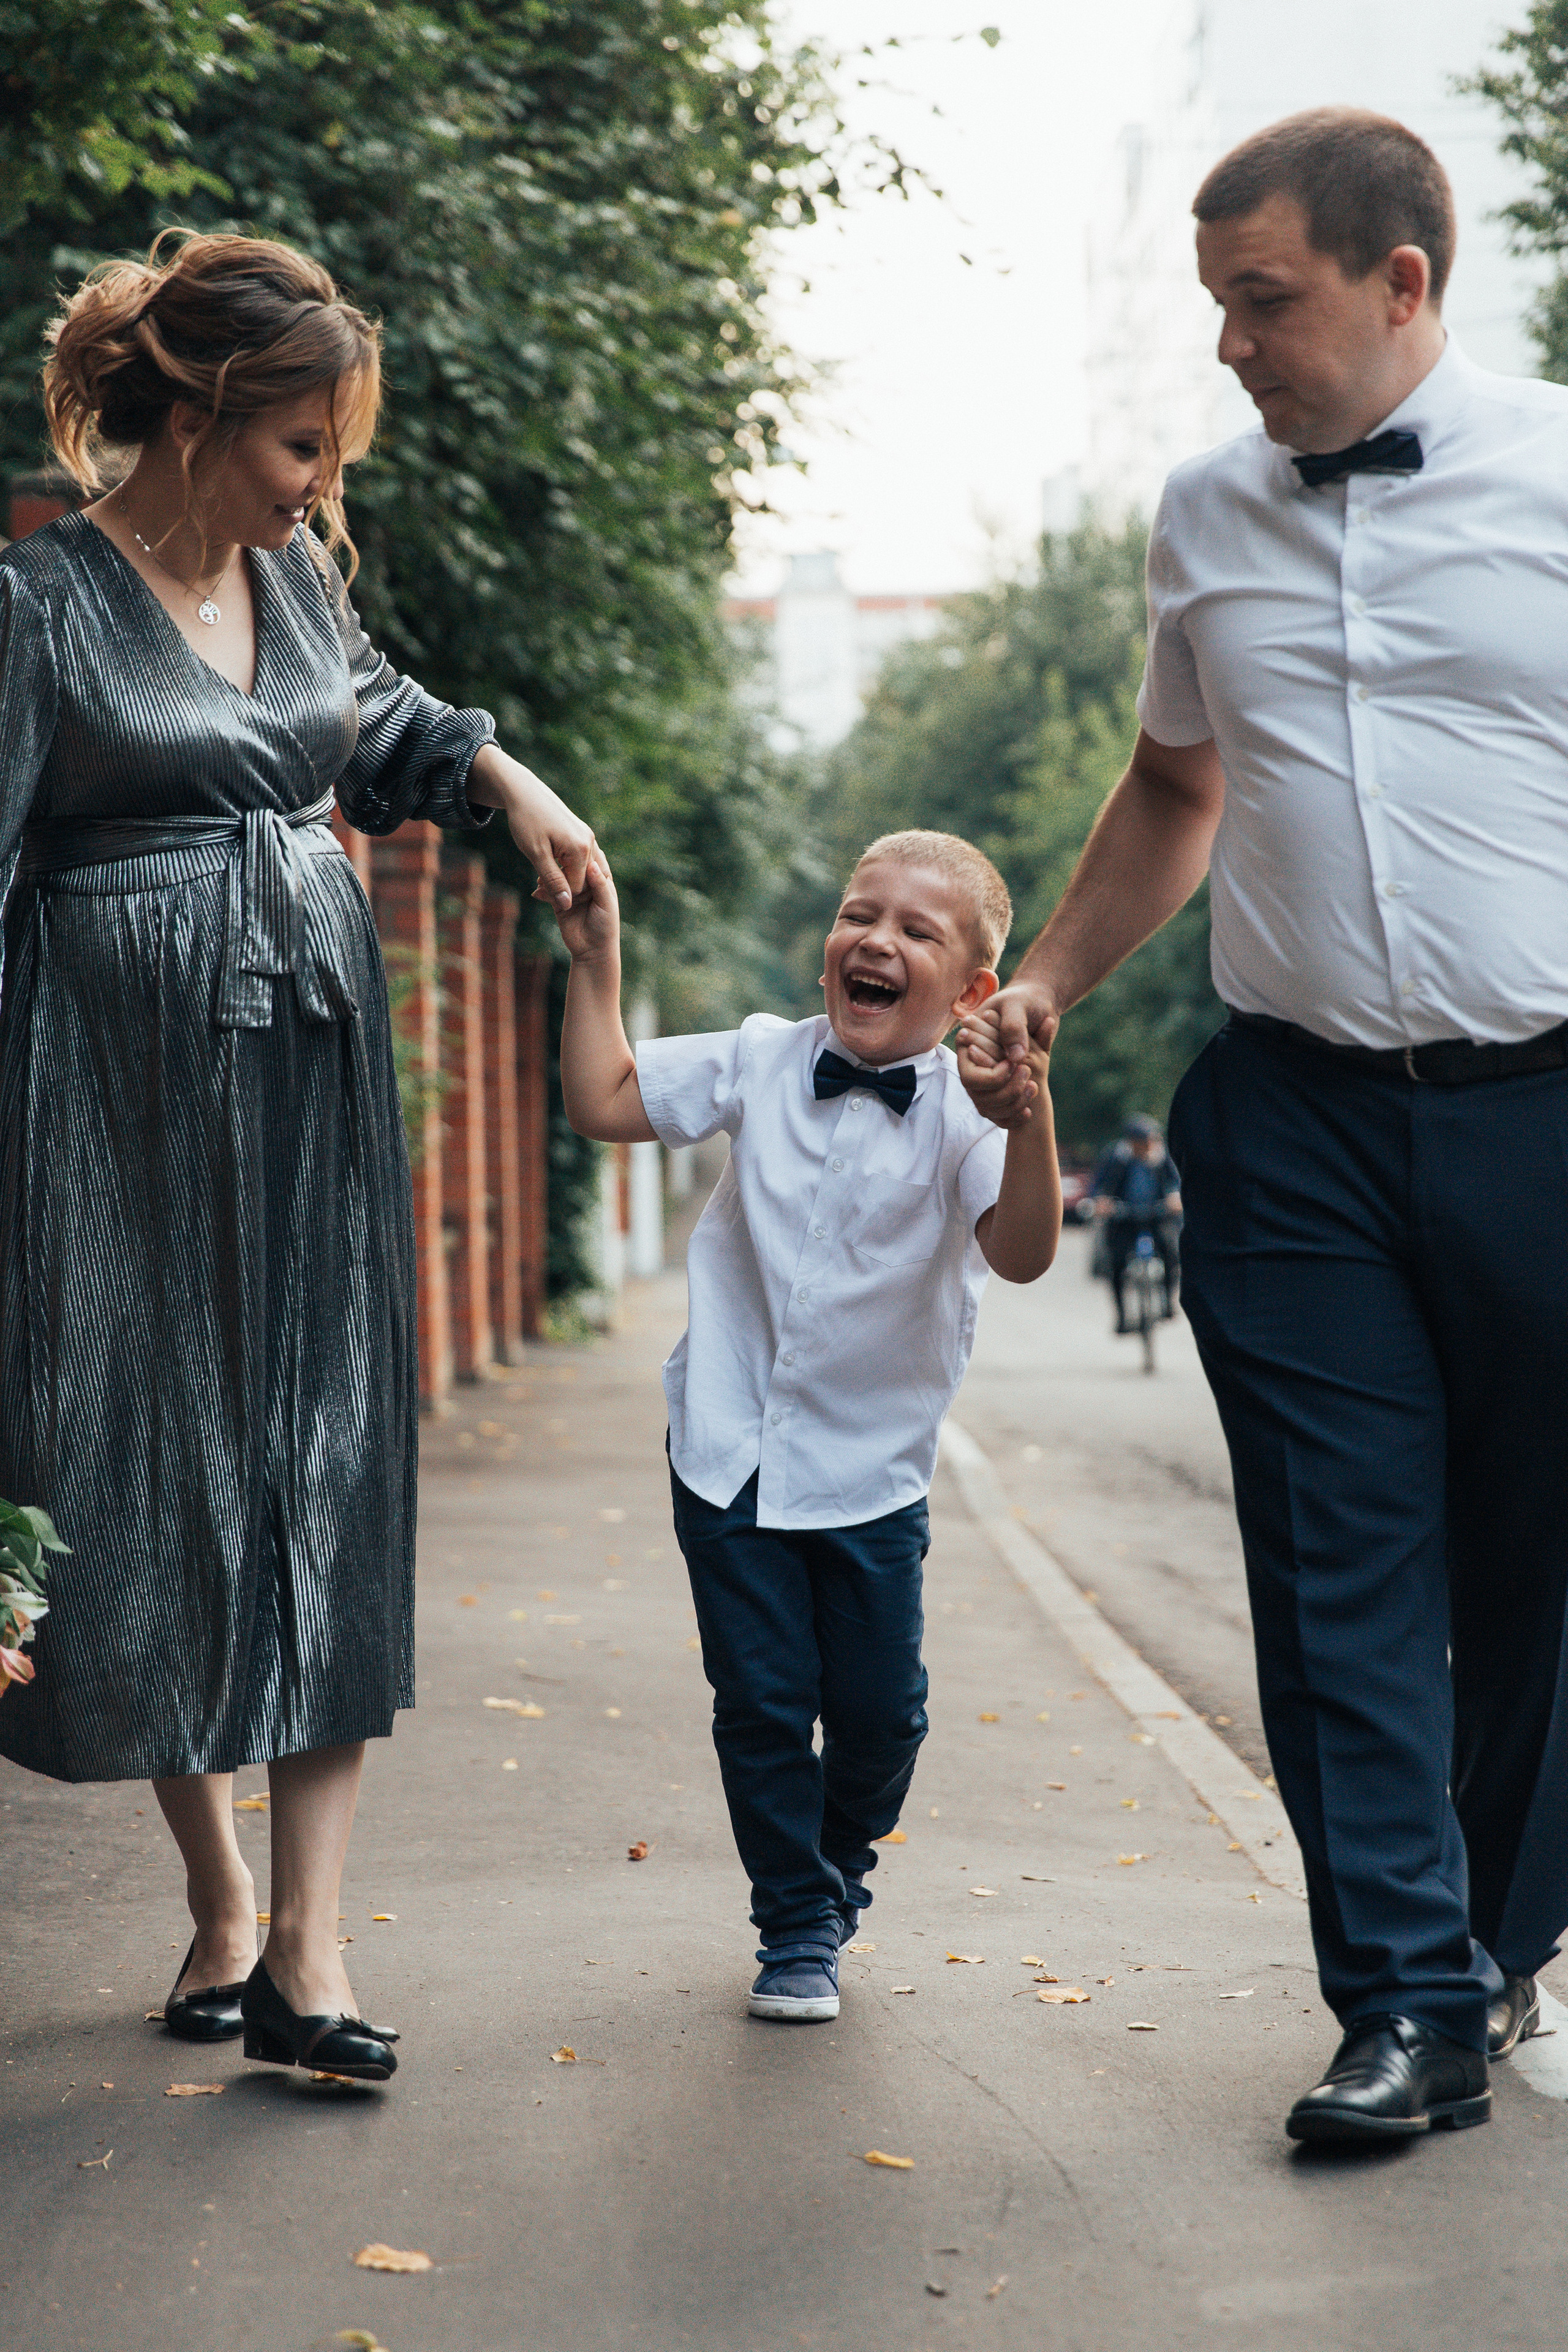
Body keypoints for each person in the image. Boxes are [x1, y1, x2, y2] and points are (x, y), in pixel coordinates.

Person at [959, 107, 1568, 2144]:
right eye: (1215, 301)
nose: (1230, 342)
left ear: (1404, 284)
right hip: (1295, 1116)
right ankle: (1402, 1996)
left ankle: (1488, 1941)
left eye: (1264, 299)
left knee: (1536, 1568)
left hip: (1549, 1109)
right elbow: (1171, 792)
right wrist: (1044, 978)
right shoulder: (1202, 518)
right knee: (1339, 1569)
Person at [0, 232, 600, 2082]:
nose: (322, 487)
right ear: (192, 413)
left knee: (327, 1461)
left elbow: (387, 721)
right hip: (112, 1105)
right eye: (299, 449)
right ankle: (223, 1896)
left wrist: (505, 777)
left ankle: (308, 1958)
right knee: (154, 1469)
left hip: (314, 1071)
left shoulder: (301, 585)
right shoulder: (36, 610)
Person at [554, 829, 1061, 2021]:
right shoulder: (760, 1061)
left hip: (869, 1474)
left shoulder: (967, 1112)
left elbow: (1026, 1253)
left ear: (972, 991)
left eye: (914, 931)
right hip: (723, 1450)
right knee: (765, 1705)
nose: (873, 940)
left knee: (881, 1717)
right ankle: (793, 1928)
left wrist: (1026, 1116)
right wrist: (595, 961)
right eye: (855, 914)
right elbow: (602, 1099)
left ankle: (835, 1870)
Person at [1091, 1115, 1182, 1329]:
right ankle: (1122, 1316)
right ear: (1132, 1142)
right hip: (1124, 1215)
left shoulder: (1163, 1157)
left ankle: (1168, 1303)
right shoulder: (1116, 1157)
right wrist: (1101, 1202)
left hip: (1157, 1214)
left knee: (1171, 1253)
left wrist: (1176, 1198)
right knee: (1116, 1263)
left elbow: (1176, 1182)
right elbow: (1099, 1185)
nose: (1148, 1146)